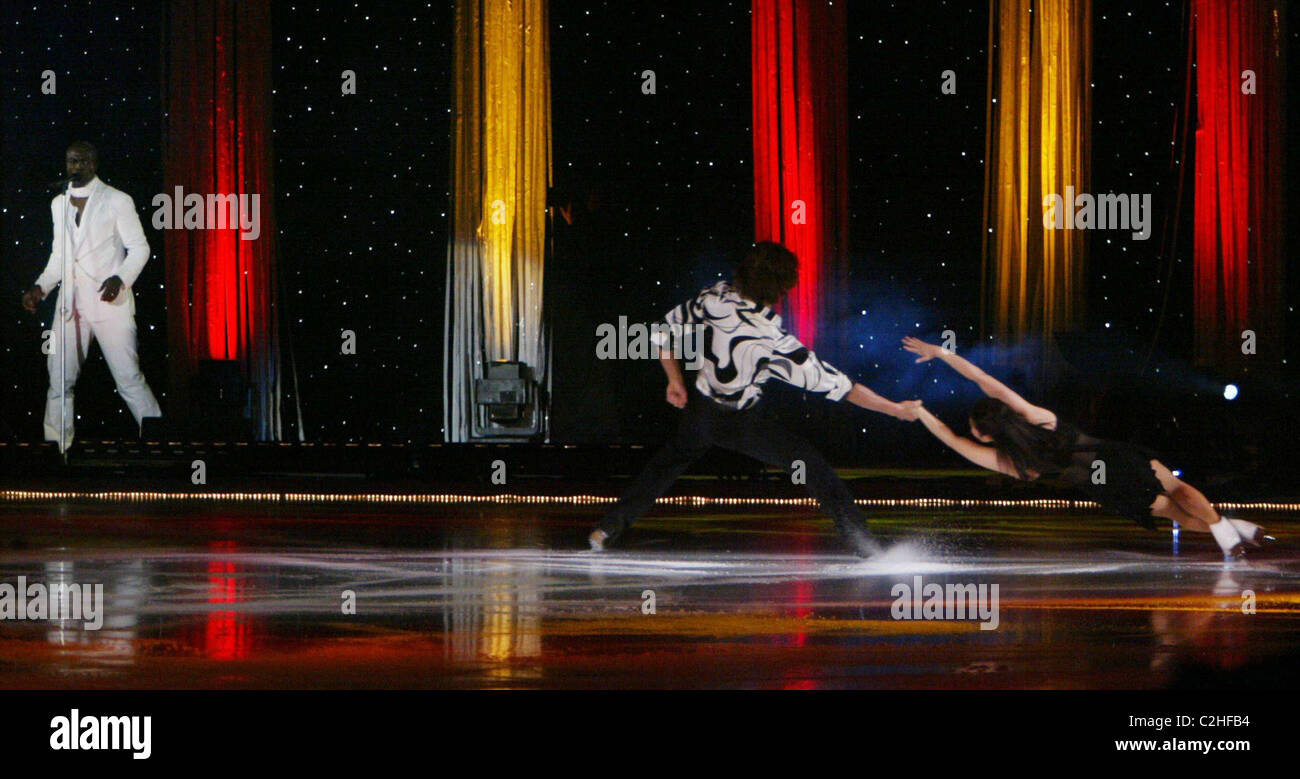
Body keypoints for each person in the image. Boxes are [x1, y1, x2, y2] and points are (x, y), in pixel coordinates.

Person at [588, 242, 920, 557]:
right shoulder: (771, 340)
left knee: (665, 465)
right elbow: (843, 388)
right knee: (812, 466)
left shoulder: (715, 297)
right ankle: (864, 544)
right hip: (739, 423)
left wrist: (674, 381)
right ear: (781, 289)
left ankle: (606, 530)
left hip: (701, 412)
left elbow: (662, 330)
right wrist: (895, 409)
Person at [901, 335, 1271, 558]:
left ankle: (1229, 530)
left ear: (986, 434)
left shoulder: (1009, 459)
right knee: (1175, 487)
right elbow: (982, 378)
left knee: (1173, 512)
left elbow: (951, 440)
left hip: (1104, 485)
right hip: (1113, 457)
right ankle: (1227, 526)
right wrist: (942, 353)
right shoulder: (1036, 416)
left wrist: (921, 414)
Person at [20, 141, 162, 450]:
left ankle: (161, 443)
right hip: (70, 304)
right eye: (72, 161)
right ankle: (57, 451)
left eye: (83, 161)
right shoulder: (59, 203)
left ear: (94, 164)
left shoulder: (117, 200)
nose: (76, 166)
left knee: (128, 379)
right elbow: (59, 257)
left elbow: (140, 248)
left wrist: (121, 278)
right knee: (59, 382)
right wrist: (41, 287)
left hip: (110, 302)